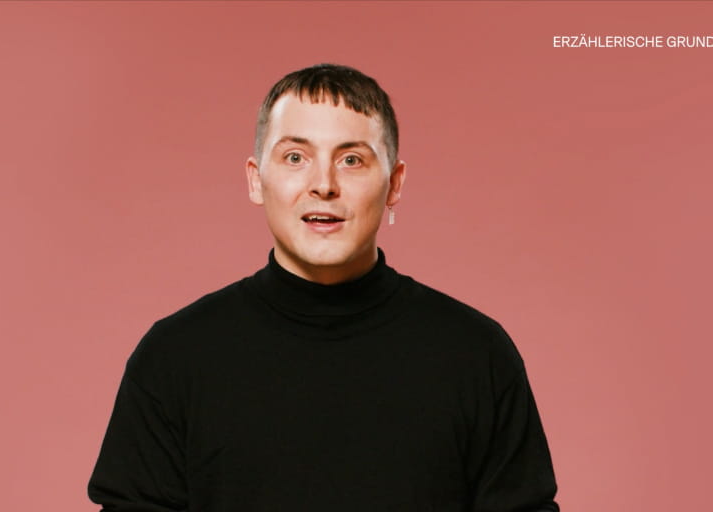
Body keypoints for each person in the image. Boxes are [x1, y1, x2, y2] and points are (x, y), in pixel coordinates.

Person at [88, 63, 559, 511]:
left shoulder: (476, 353)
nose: (324, 185)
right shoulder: (174, 356)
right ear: (256, 180)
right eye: (295, 157)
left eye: (351, 160)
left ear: (394, 184)